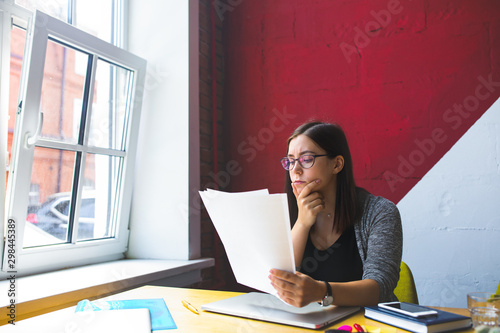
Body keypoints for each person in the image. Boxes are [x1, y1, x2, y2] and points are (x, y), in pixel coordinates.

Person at [268, 121, 402, 308]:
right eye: (290, 161)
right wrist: (302, 223)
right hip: (306, 325)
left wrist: (322, 292)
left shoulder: (380, 213)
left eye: (306, 159)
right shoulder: (285, 214)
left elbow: (380, 288)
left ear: (337, 164)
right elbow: (275, 281)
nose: (295, 170)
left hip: (366, 325)